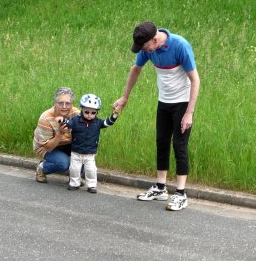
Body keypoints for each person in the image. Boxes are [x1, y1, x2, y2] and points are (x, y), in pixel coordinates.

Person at [113, 22, 200, 211]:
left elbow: (195, 79)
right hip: (164, 101)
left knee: (179, 144)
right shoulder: (148, 48)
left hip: (183, 102)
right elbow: (136, 69)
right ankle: (161, 188)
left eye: (145, 47)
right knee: (161, 141)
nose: (144, 51)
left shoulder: (179, 45)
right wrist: (125, 97)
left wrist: (189, 113)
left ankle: (181, 194)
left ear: (155, 39)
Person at [57, 94, 120, 194]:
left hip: (90, 153)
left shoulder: (98, 122)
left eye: (93, 112)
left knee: (91, 170)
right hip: (76, 151)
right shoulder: (76, 120)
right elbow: (68, 124)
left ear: (96, 112)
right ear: (82, 110)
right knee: (74, 169)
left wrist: (115, 114)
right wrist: (62, 120)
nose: (89, 114)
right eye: (86, 112)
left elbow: (108, 122)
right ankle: (74, 183)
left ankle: (91, 185)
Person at [33, 87, 80, 183]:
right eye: (60, 103)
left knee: (85, 159)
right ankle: (42, 168)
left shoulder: (76, 114)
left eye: (68, 103)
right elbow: (48, 147)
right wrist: (60, 133)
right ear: (55, 103)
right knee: (63, 164)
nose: (64, 106)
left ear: (72, 104)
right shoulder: (46, 118)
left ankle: (74, 176)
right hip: (47, 147)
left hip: (68, 144)